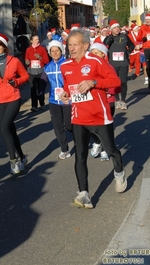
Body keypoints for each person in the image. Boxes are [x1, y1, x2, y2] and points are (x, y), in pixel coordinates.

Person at [59, 29, 126, 209]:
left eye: (75, 44)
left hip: (99, 116)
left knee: (111, 150)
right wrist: (66, 94)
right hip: (79, 117)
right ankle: (84, 193)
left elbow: (115, 81)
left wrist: (94, 82)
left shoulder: (96, 61)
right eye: (69, 44)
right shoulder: (65, 66)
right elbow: (68, 86)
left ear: (85, 45)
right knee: (80, 155)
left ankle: (119, 173)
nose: (71, 48)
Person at [0, 33, 29, 174]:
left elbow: (25, 76)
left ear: (4, 47)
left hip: (13, 98)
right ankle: (22, 157)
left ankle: (13, 161)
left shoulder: (13, 61)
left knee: (3, 128)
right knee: (10, 130)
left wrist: (16, 82)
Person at [40, 40, 73, 159]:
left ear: (61, 51)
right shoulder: (47, 67)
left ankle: (81, 138)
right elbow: (43, 81)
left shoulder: (68, 63)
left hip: (68, 99)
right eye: (52, 51)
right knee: (57, 126)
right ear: (49, 53)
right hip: (54, 100)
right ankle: (64, 149)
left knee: (69, 125)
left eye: (57, 50)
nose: (54, 53)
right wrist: (40, 92)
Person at [89, 42, 121, 161]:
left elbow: (116, 85)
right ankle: (97, 142)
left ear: (103, 55)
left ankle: (105, 150)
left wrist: (107, 89)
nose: (94, 56)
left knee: (105, 128)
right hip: (93, 101)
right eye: (92, 53)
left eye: (97, 53)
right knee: (90, 126)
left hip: (108, 101)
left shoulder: (109, 67)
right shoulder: (88, 68)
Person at [104, 19, 134, 110]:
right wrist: (109, 39)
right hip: (113, 64)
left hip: (123, 63)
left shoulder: (124, 36)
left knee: (123, 82)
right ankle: (116, 100)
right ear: (111, 29)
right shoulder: (109, 38)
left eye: (118, 27)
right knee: (115, 83)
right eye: (115, 28)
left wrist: (128, 52)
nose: (117, 29)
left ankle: (123, 101)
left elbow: (132, 45)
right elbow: (104, 46)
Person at [25, 34, 50, 112]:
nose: (37, 41)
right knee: (33, 89)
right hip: (31, 71)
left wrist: (40, 58)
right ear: (31, 41)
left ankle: (42, 103)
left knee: (40, 89)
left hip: (40, 71)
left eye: (38, 39)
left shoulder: (42, 49)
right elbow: (26, 59)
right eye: (35, 40)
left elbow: (47, 61)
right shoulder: (28, 50)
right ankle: (34, 106)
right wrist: (27, 61)